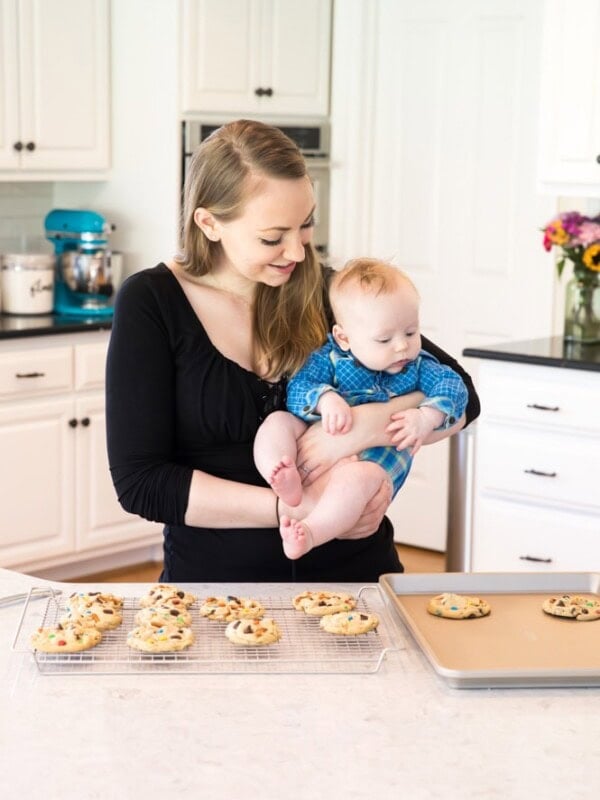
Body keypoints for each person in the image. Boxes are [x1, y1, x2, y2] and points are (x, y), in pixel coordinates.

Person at [105, 118, 480, 583]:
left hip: (358, 579)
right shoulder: (152, 302)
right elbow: (142, 483)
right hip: (215, 589)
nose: (298, 253)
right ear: (209, 223)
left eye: (305, 227)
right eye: (272, 237)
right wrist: (297, 508)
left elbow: (464, 395)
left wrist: (361, 430)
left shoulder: (329, 292)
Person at [253, 258, 468, 559]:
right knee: (277, 422)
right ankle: (280, 472)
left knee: (355, 480)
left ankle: (311, 533)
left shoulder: (418, 367)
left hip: (371, 467)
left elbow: (456, 386)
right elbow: (299, 387)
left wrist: (426, 417)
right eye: (384, 339)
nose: (402, 347)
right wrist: (326, 399)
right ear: (343, 338)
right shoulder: (329, 358)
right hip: (315, 443)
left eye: (411, 332)